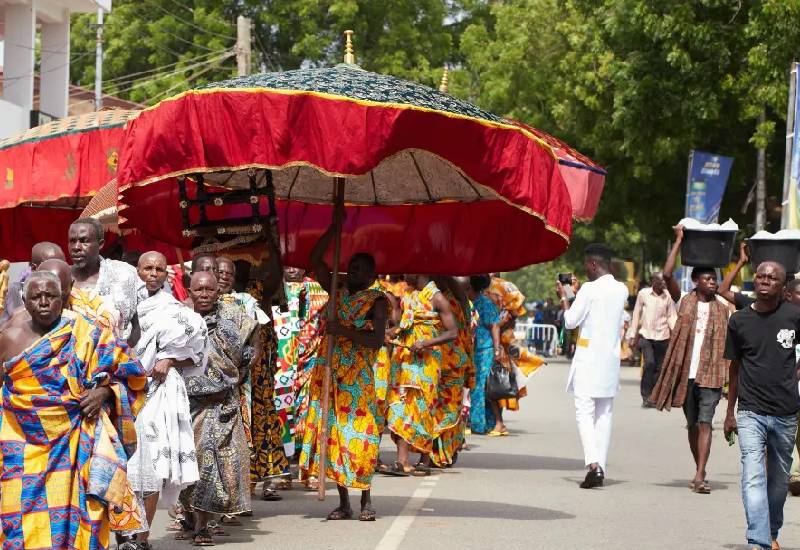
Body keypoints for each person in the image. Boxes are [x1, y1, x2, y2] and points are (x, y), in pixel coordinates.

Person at [0, 271, 147, 549]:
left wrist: (103, 392)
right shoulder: (8, 338)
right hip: (21, 448)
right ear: (25, 300)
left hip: (76, 443)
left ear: (64, 298)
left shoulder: (87, 331)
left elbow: (133, 375)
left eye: (51, 296)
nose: (44, 302)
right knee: (18, 525)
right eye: (36, 296)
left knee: (77, 520)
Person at [299, 205, 389, 521]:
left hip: (358, 381)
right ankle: (344, 503)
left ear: (373, 276)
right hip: (329, 375)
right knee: (334, 437)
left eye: (362, 269)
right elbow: (314, 261)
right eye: (352, 265)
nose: (355, 271)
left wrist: (344, 331)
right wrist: (333, 230)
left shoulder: (377, 301)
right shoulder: (336, 290)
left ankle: (366, 501)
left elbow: (377, 341)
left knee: (360, 438)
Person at [124, 252, 203, 549]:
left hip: (158, 395)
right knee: (124, 467)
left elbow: (198, 351)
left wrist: (169, 357)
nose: (153, 273)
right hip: (122, 391)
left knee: (153, 467)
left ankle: (142, 537)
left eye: (159, 268)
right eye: (148, 268)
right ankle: (124, 532)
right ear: (137, 271)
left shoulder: (176, 309)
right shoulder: (122, 304)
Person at [177, 271, 258, 546]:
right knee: (186, 465)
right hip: (185, 404)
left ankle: (202, 526)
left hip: (221, 404)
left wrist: (235, 376)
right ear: (189, 290)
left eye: (209, 289)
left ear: (218, 291)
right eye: (198, 289)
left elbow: (251, 345)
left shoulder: (233, 318)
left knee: (214, 462)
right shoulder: (179, 318)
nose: (204, 294)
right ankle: (189, 517)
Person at [724, 262, 800, 550]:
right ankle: (758, 541)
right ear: (754, 281)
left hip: (786, 412)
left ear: (782, 286)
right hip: (750, 411)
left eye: (772, 277)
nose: (765, 280)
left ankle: (770, 530)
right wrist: (730, 412)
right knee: (753, 475)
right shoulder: (739, 321)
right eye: (761, 276)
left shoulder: (794, 316)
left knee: (779, 483)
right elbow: (734, 368)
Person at [650, 225, 729, 494]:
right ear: (696, 281)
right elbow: (667, 273)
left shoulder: (722, 307)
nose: (713, 282)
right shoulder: (683, 300)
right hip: (687, 374)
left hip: (712, 374)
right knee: (693, 425)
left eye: (714, 279)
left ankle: (698, 475)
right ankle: (701, 468)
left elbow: (729, 289)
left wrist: (740, 262)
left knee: (706, 422)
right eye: (707, 279)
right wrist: (679, 241)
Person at [216, 251, 291, 500]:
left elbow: (260, 332)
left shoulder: (253, 295)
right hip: (221, 375)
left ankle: (261, 480)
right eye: (222, 270)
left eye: (234, 269)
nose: (228, 274)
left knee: (260, 422)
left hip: (254, 373)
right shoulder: (207, 297)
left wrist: (272, 242)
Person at [557, 243, 628, 489]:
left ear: (594, 264)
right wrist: (578, 295)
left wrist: (566, 299)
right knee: (604, 414)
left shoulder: (588, 289)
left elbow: (570, 321)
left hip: (589, 360)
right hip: (609, 361)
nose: (585, 269)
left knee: (584, 413)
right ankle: (601, 468)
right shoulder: (621, 289)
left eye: (587, 264)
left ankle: (593, 465)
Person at [384, 274, 457, 476]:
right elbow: (404, 325)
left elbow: (452, 332)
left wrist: (425, 343)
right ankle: (402, 461)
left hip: (427, 363)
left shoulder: (437, 297)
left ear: (420, 271)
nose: (403, 275)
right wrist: (392, 332)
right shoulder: (407, 294)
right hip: (404, 358)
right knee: (399, 407)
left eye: (408, 271)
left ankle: (425, 458)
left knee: (423, 408)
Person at [68, 217, 142, 338]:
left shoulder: (125, 274)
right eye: (72, 241)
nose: (76, 247)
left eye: (83, 241)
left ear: (101, 244)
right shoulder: (62, 279)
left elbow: (140, 321)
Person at [431, 276, 476, 466]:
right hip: (433, 362)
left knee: (449, 410)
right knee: (433, 408)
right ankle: (435, 451)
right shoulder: (429, 297)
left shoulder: (461, 302)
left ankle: (447, 451)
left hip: (454, 364)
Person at [626, 272, 677, 407]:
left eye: (663, 281)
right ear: (653, 281)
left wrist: (676, 333)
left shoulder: (668, 296)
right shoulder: (643, 294)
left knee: (660, 368)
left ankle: (654, 396)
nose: (663, 284)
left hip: (663, 336)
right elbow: (636, 314)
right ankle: (646, 395)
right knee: (649, 364)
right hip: (646, 335)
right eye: (660, 281)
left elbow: (671, 316)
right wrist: (632, 335)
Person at [466, 275, 503, 435]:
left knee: (483, 387)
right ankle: (480, 423)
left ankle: (483, 424)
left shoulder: (486, 303)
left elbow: (494, 326)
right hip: (474, 350)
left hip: (485, 350)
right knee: (476, 387)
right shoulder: (469, 303)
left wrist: (496, 349)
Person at [1, 241, 65, 322]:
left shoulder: (77, 302)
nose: (44, 302)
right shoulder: (18, 323)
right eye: (36, 297)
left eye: (63, 264)